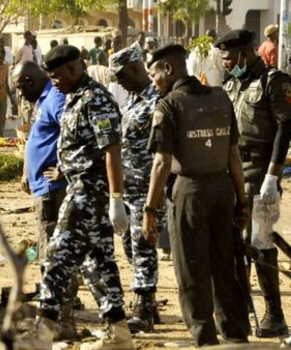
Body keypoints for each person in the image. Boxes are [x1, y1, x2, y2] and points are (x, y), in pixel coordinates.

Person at [143, 44, 251, 347]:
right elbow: (234, 157)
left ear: (169, 69)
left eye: (154, 75)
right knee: (224, 262)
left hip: (189, 191)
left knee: (191, 267)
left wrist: (150, 211)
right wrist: (242, 203)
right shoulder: (221, 97)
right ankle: (235, 332)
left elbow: (162, 163)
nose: (153, 82)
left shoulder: (168, 106)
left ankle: (204, 335)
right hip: (223, 189)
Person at [33, 45, 133, 348]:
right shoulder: (74, 97)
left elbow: (111, 150)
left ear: (74, 70)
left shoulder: (95, 99)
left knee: (58, 254)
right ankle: (119, 333)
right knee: (97, 261)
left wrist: (116, 199)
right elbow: (81, 147)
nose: (54, 83)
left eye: (57, 77)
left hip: (91, 190)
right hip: (82, 184)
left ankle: (42, 332)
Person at [216, 29, 291, 338]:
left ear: (245, 55)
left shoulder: (274, 81)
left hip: (262, 171)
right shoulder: (231, 84)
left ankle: (274, 314)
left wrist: (273, 175)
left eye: (230, 59)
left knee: (261, 245)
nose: (226, 65)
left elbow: (285, 127)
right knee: (236, 244)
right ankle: (242, 310)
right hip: (232, 171)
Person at [109, 46, 163, 333]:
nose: (118, 81)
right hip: (128, 189)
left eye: (120, 75)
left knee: (143, 246)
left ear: (134, 69)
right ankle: (150, 301)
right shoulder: (131, 100)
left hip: (148, 188)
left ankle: (142, 305)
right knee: (130, 248)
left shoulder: (159, 101)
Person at [14, 60, 67, 261]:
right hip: (41, 184)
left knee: (51, 238)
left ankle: (56, 287)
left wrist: (63, 166)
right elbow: (35, 138)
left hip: (53, 187)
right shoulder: (42, 100)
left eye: (20, 88)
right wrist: (27, 171)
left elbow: (73, 132)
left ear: (30, 81)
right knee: (46, 236)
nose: (19, 94)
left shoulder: (56, 98)